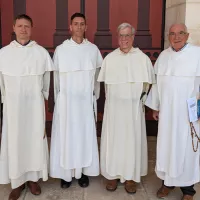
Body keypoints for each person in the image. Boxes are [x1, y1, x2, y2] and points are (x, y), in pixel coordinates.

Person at [0, 14, 54, 200]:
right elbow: (1, 84)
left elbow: (46, 82)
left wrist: (43, 99)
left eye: (27, 26)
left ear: (32, 28)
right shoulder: (3, 53)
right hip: (13, 108)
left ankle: (33, 179)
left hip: (33, 107)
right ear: (14, 27)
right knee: (15, 142)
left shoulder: (40, 53)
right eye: (20, 26)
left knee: (34, 141)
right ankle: (17, 182)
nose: (23, 29)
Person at [98, 23, 155, 194]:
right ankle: (113, 175)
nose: (124, 39)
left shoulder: (142, 59)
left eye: (127, 35)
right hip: (114, 110)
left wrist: (141, 102)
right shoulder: (110, 59)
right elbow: (106, 87)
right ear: (117, 37)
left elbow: (147, 85)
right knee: (114, 141)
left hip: (133, 111)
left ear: (133, 37)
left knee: (132, 142)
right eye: (121, 36)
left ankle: (130, 177)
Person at [145, 23, 200, 200]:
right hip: (167, 114)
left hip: (188, 115)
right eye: (172, 34)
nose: (176, 37)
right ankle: (167, 183)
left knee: (186, 150)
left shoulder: (197, 55)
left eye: (180, 33)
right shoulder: (163, 56)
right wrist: (155, 106)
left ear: (187, 35)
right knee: (167, 147)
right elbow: (156, 84)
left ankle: (188, 190)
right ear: (168, 36)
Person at [50, 13, 103, 188]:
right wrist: (59, 99)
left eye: (82, 24)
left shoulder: (93, 50)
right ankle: (66, 174)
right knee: (66, 137)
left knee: (84, 137)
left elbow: (96, 78)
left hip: (85, 104)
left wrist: (92, 98)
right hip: (66, 103)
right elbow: (56, 79)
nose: (79, 27)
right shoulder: (61, 50)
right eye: (75, 24)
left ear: (86, 27)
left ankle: (82, 173)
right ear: (70, 27)